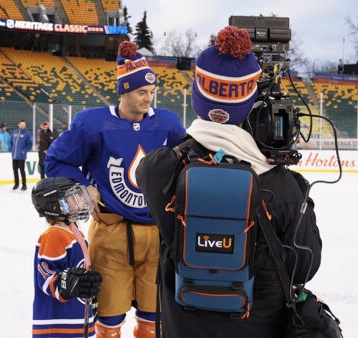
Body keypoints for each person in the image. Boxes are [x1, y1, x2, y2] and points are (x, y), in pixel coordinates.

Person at [136, 26, 322, 338]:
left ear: (199, 98)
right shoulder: (288, 187)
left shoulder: (160, 171)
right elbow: (306, 265)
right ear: (250, 103)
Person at [44, 40, 185, 338]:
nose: (148, 99)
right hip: (110, 233)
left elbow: (186, 163)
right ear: (123, 91)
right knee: (108, 321)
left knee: (153, 320)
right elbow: (56, 160)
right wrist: (82, 188)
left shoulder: (168, 123)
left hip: (157, 232)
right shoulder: (92, 123)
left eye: (151, 92)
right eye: (140, 92)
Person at [30, 176, 103, 337]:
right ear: (56, 206)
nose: (80, 200)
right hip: (57, 325)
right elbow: (45, 274)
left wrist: (89, 297)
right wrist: (66, 284)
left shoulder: (76, 233)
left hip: (76, 321)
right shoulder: (54, 235)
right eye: (72, 197)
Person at [10, 119, 33, 191]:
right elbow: (11, 142)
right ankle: (16, 184)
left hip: (21, 156)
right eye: (22, 124)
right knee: (15, 170)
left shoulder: (27, 133)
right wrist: (12, 150)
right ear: (18, 124)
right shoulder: (14, 132)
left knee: (22, 170)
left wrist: (24, 151)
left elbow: (30, 144)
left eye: (24, 125)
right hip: (14, 156)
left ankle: (24, 185)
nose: (23, 126)